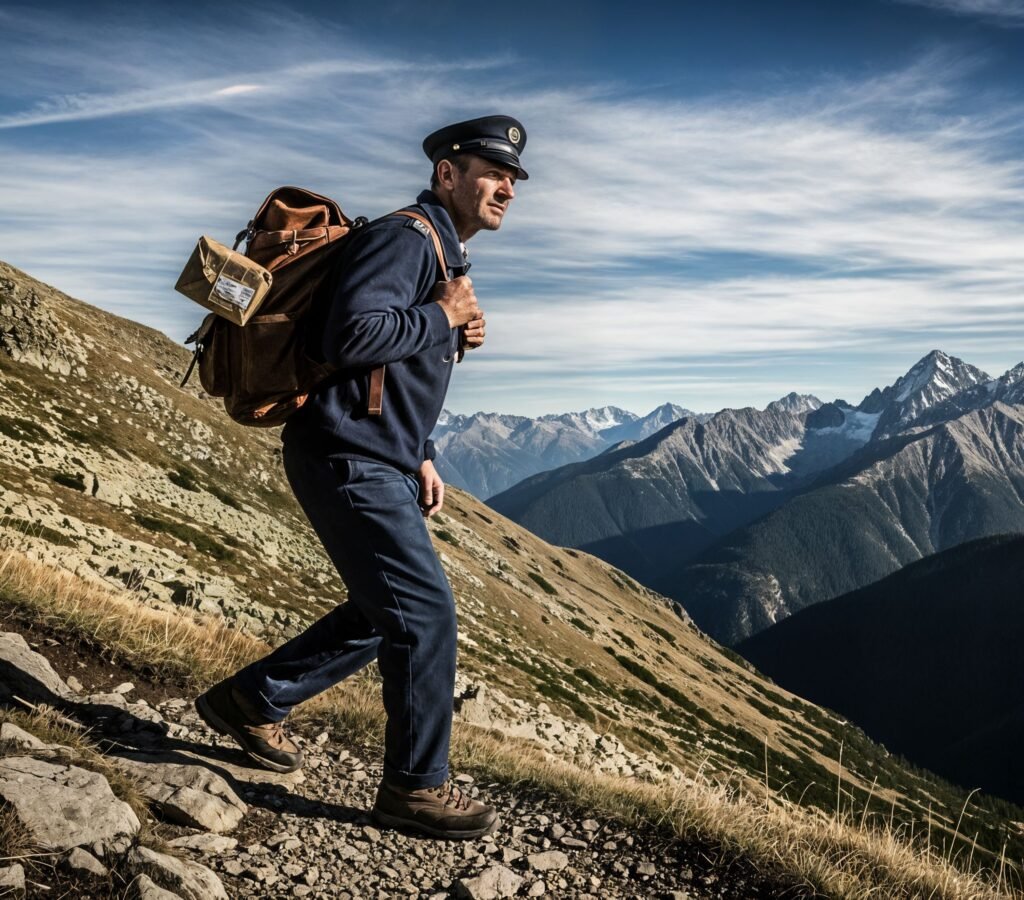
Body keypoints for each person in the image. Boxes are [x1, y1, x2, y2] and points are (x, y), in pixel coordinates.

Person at [195, 115, 528, 840]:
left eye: (513, 179)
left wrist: (422, 450)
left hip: (378, 457)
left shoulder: (441, 252)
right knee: (424, 615)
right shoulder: (407, 238)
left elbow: (393, 370)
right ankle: (415, 788)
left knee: (388, 610)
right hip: (346, 457)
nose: (506, 188)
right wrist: (441, 316)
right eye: (492, 173)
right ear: (447, 174)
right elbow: (344, 337)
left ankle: (251, 701)